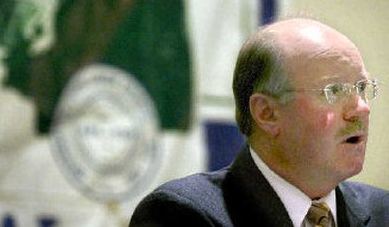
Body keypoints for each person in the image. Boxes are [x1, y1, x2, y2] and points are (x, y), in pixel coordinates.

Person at [129, 17, 389, 226]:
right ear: (266, 113)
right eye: (333, 91)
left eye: (361, 87)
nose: (361, 109)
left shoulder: (383, 211)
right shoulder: (181, 214)